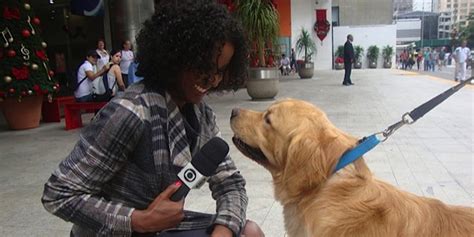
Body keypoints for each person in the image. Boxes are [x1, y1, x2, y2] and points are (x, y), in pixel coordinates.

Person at [42, 1, 265, 237]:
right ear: (177, 54)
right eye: (204, 65)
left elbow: (230, 184)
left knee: (249, 232)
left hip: (160, 228)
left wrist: (223, 232)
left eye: (220, 70)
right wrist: (139, 220)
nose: (214, 79)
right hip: (113, 231)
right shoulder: (131, 111)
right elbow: (59, 193)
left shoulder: (202, 116)